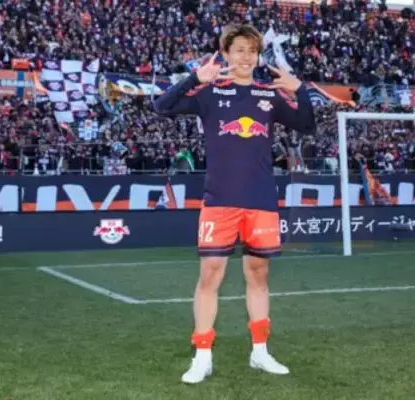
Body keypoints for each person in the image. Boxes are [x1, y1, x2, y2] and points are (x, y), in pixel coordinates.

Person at [153, 23, 316, 384]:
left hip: (261, 200)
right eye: (239, 49)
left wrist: (299, 89)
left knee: (258, 275)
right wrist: (194, 78)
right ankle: (202, 356)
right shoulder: (210, 93)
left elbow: (307, 125)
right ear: (225, 53)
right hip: (220, 200)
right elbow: (161, 106)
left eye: (252, 50)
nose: (246, 56)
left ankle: (260, 352)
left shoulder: (270, 94)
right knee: (210, 274)